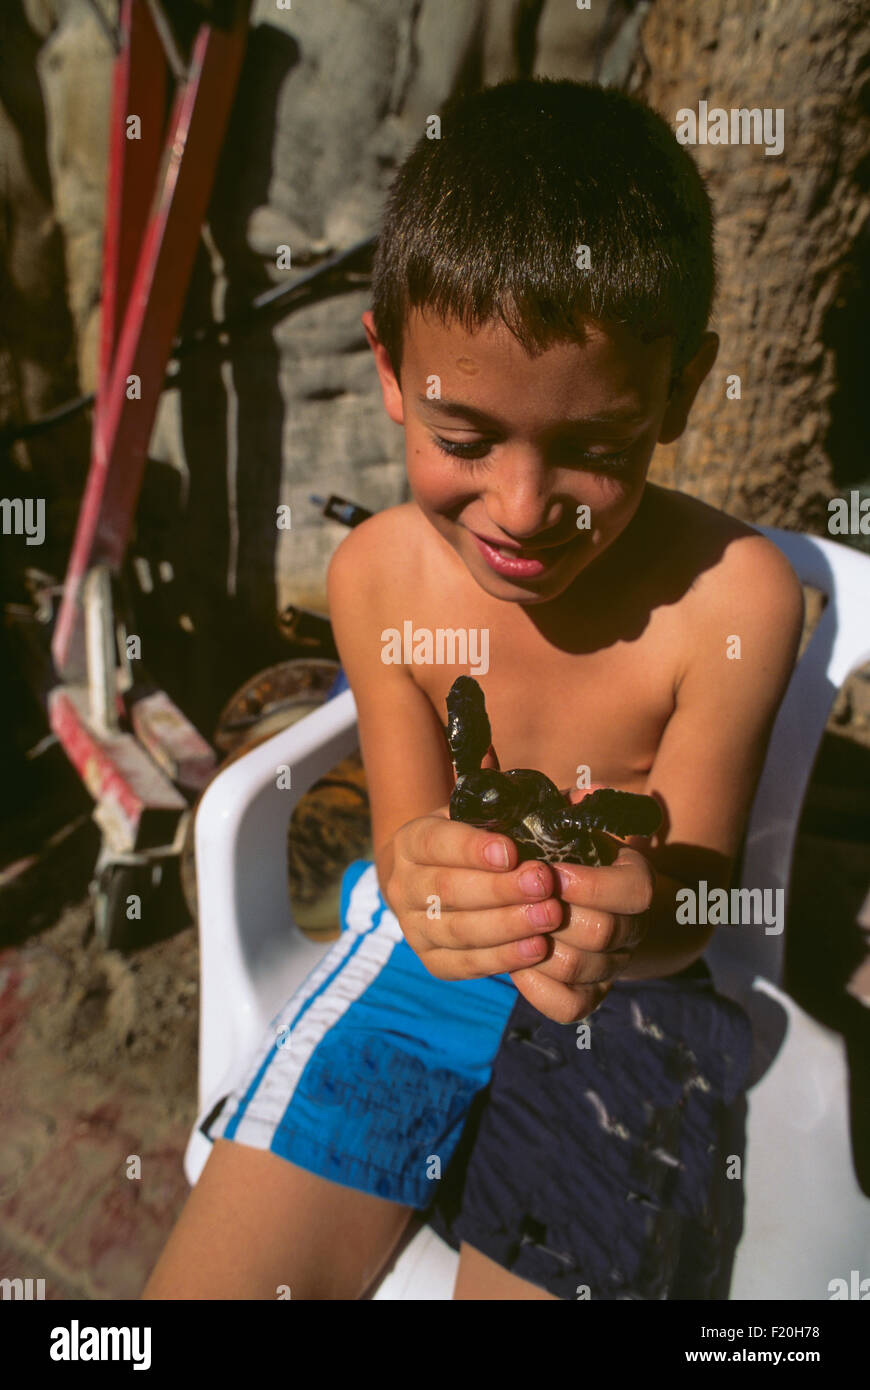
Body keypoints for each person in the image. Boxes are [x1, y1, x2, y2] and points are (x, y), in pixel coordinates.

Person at [142, 77, 803, 1301]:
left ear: (683, 386)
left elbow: (693, 894)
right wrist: (423, 881)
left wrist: (622, 920)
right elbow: (406, 841)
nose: (519, 508)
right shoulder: (377, 578)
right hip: (417, 965)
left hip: (632, 998)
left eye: (597, 453)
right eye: (464, 440)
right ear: (389, 370)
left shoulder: (739, 600)